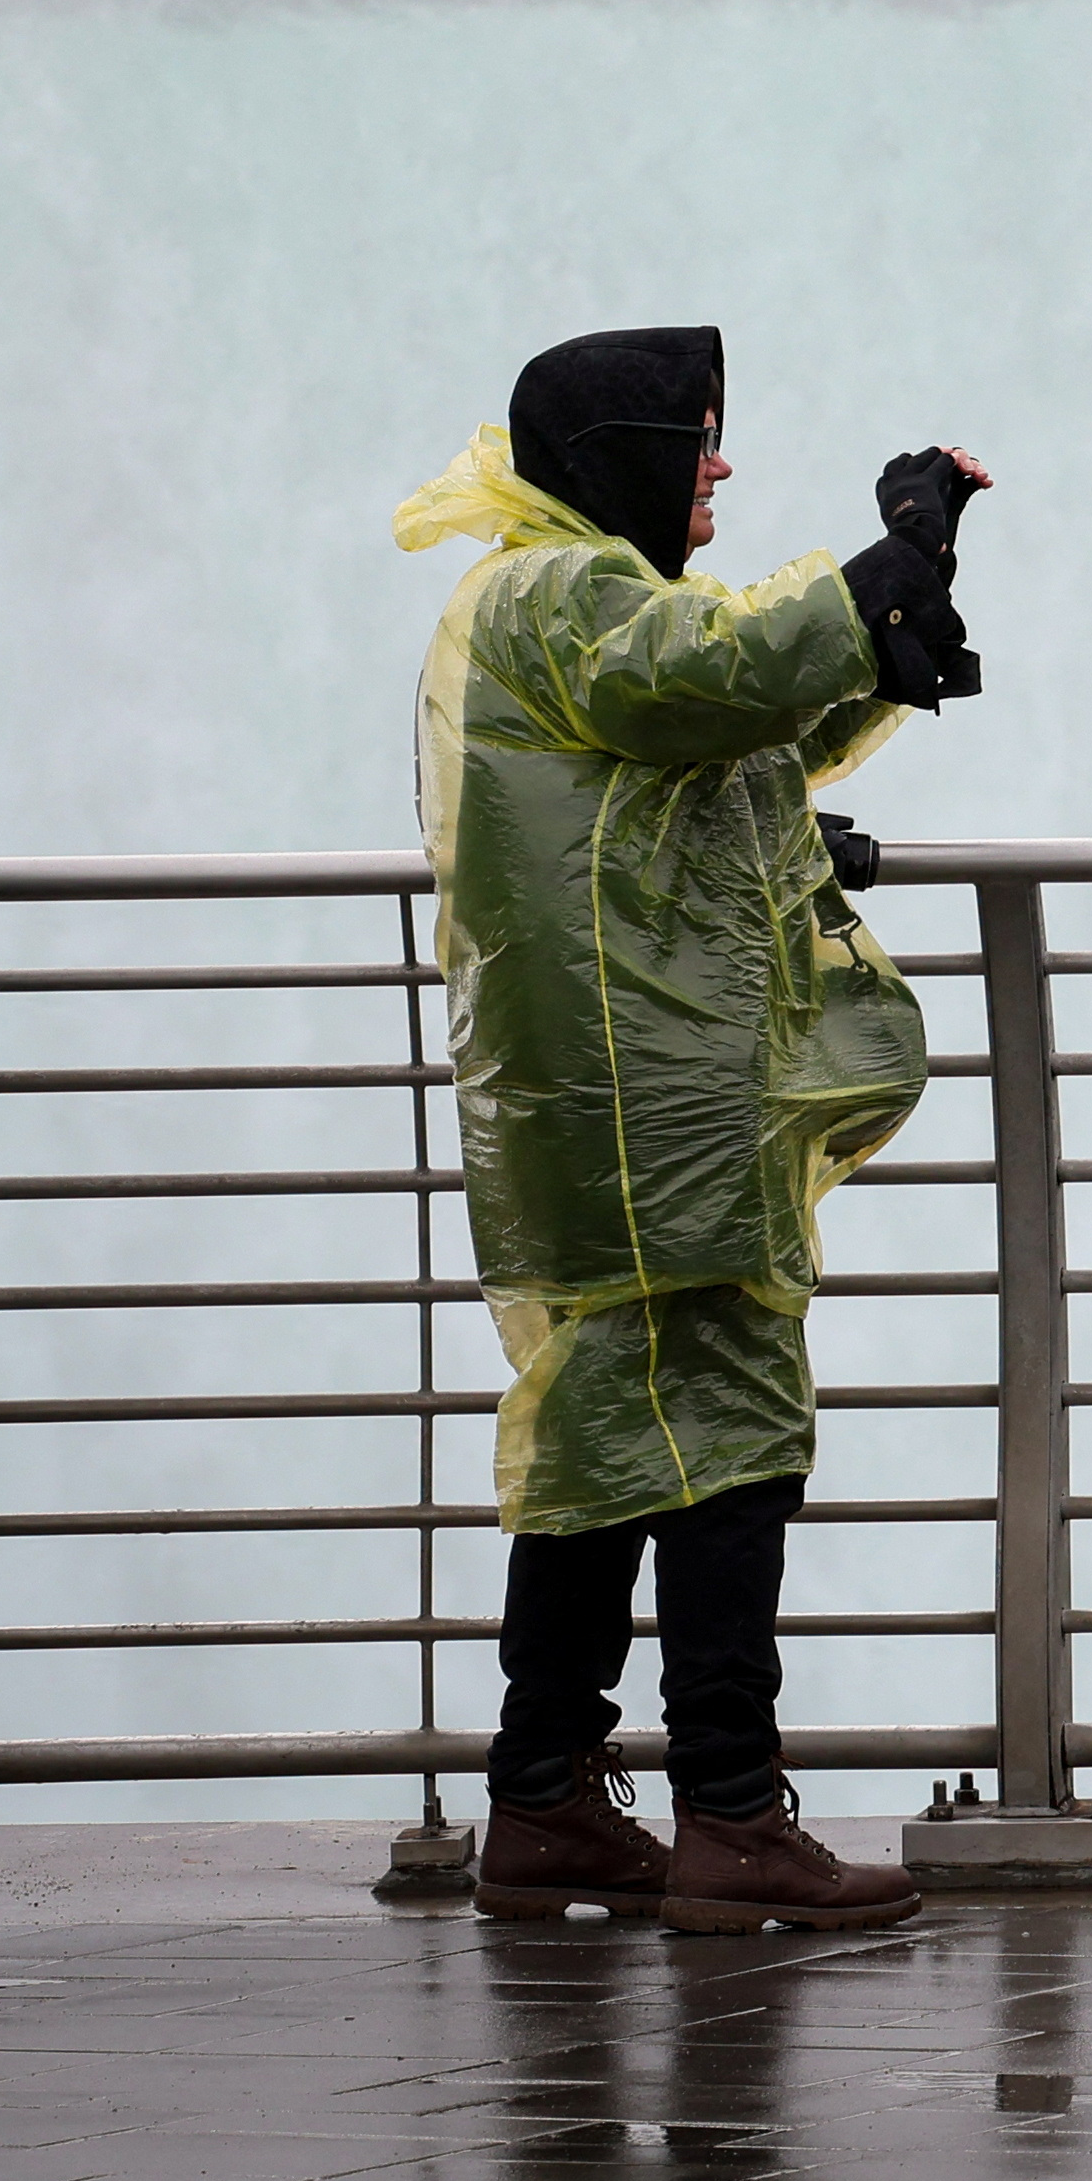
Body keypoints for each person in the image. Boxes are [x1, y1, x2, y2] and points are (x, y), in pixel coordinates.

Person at [392, 327, 987, 1933]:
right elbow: (710, 671)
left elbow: (707, 731)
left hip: (605, 1092)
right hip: (651, 1102)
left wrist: (872, 653)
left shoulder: (542, 603)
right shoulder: (556, 595)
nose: (717, 463)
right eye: (698, 438)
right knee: (731, 1428)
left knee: (602, 1437)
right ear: (624, 459)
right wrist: (891, 558)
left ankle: (544, 1801)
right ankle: (731, 1815)